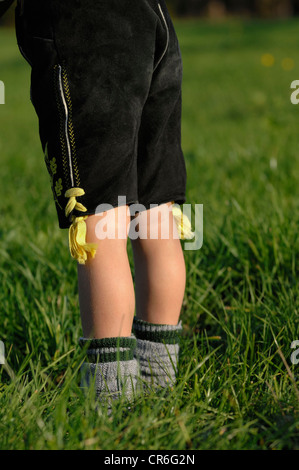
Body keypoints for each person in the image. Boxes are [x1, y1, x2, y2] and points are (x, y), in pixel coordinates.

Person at [12, 0, 193, 404]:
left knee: (100, 221)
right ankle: (159, 382)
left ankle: (110, 399)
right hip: (154, 23)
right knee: (155, 211)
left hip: (85, 31)